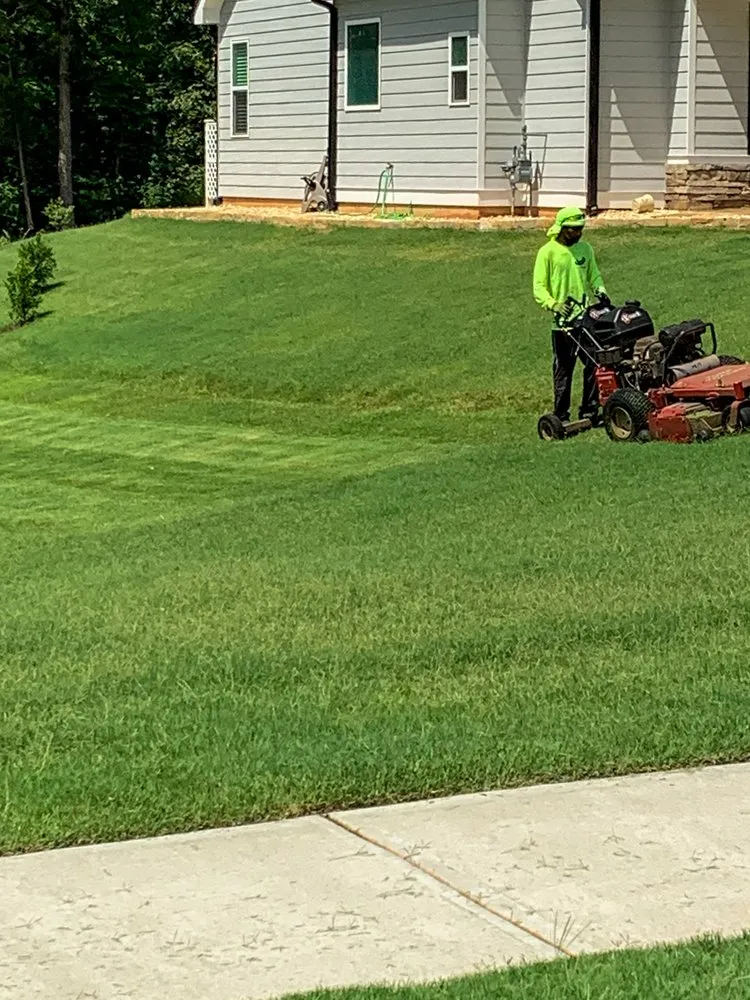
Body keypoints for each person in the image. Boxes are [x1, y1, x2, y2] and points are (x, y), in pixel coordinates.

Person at [533, 206, 610, 424]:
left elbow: (593, 275)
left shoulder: (585, 249)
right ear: (562, 228)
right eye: (574, 229)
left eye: (581, 228)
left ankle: (589, 409)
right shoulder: (547, 253)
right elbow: (539, 287)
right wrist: (553, 304)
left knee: (595, 362)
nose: (579, 233)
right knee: (564, 370)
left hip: (585, 320)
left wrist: (600, 291)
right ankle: (560, 415)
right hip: (562, 326)